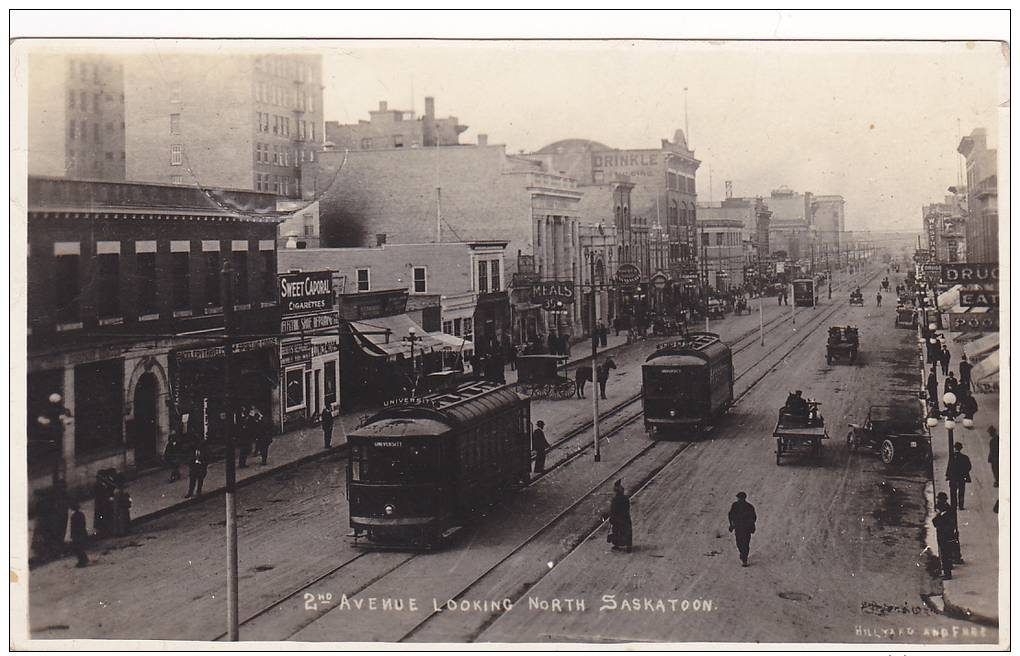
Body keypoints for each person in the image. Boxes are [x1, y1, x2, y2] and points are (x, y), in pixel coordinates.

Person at [728, 491, 757, 567]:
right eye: (739, 498)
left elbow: (753, 517)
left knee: (745, 543)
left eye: (740, 498)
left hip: (745, 528)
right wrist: (731, 524)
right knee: (740, 543)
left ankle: (744, 559)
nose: (739, 499)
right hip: (739, 528)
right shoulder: (735, 506)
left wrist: (752, 526)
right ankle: (743, 555)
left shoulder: (749, 507)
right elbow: (731, 516)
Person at [934, 492, 963, 564]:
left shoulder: (944, 509)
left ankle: (948, 566)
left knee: (945, 549)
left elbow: (936, 521)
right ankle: (952, 560)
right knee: (947, 548)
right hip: (947, 531)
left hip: (944, 532)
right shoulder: (946, 508)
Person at [607, 479, 633, 552]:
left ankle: (616, 545)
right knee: (627, 531)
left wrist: (612, 518)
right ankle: (629, 546)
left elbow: (613, 510)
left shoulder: (615, 499)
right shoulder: (625, 498)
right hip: (625, 517)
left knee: (616, 531)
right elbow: (627, 507)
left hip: (617, 518)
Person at [946, 442, 972, 510]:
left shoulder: (952, 457)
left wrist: (948, 475)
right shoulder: (965, 457)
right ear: (961, 448)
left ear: (955, 448)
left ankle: (953, 505)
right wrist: (964, 472)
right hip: (961, 477)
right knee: (961, 491)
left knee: (953, 491)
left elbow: (949, 467)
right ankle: (961, 505)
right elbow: (969, 467)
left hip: (953, 477)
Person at [932, 506, 956, 580]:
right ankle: (947, 572)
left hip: (945, 540)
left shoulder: (944, 517)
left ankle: (947, 574)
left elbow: (935, 523)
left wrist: (937, 515)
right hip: (947, 539)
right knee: (946, 556)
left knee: (945, 556)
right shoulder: (946, 515)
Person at [68, 503, 89, 568]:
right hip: (82, 532)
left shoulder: (73, 516)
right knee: (80, 547)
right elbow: (84, 524)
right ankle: (84, 559)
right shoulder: (81, 514)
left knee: (77, 548)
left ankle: (82, 561)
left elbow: (73, 527)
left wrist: (72, 535)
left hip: (76, 534)